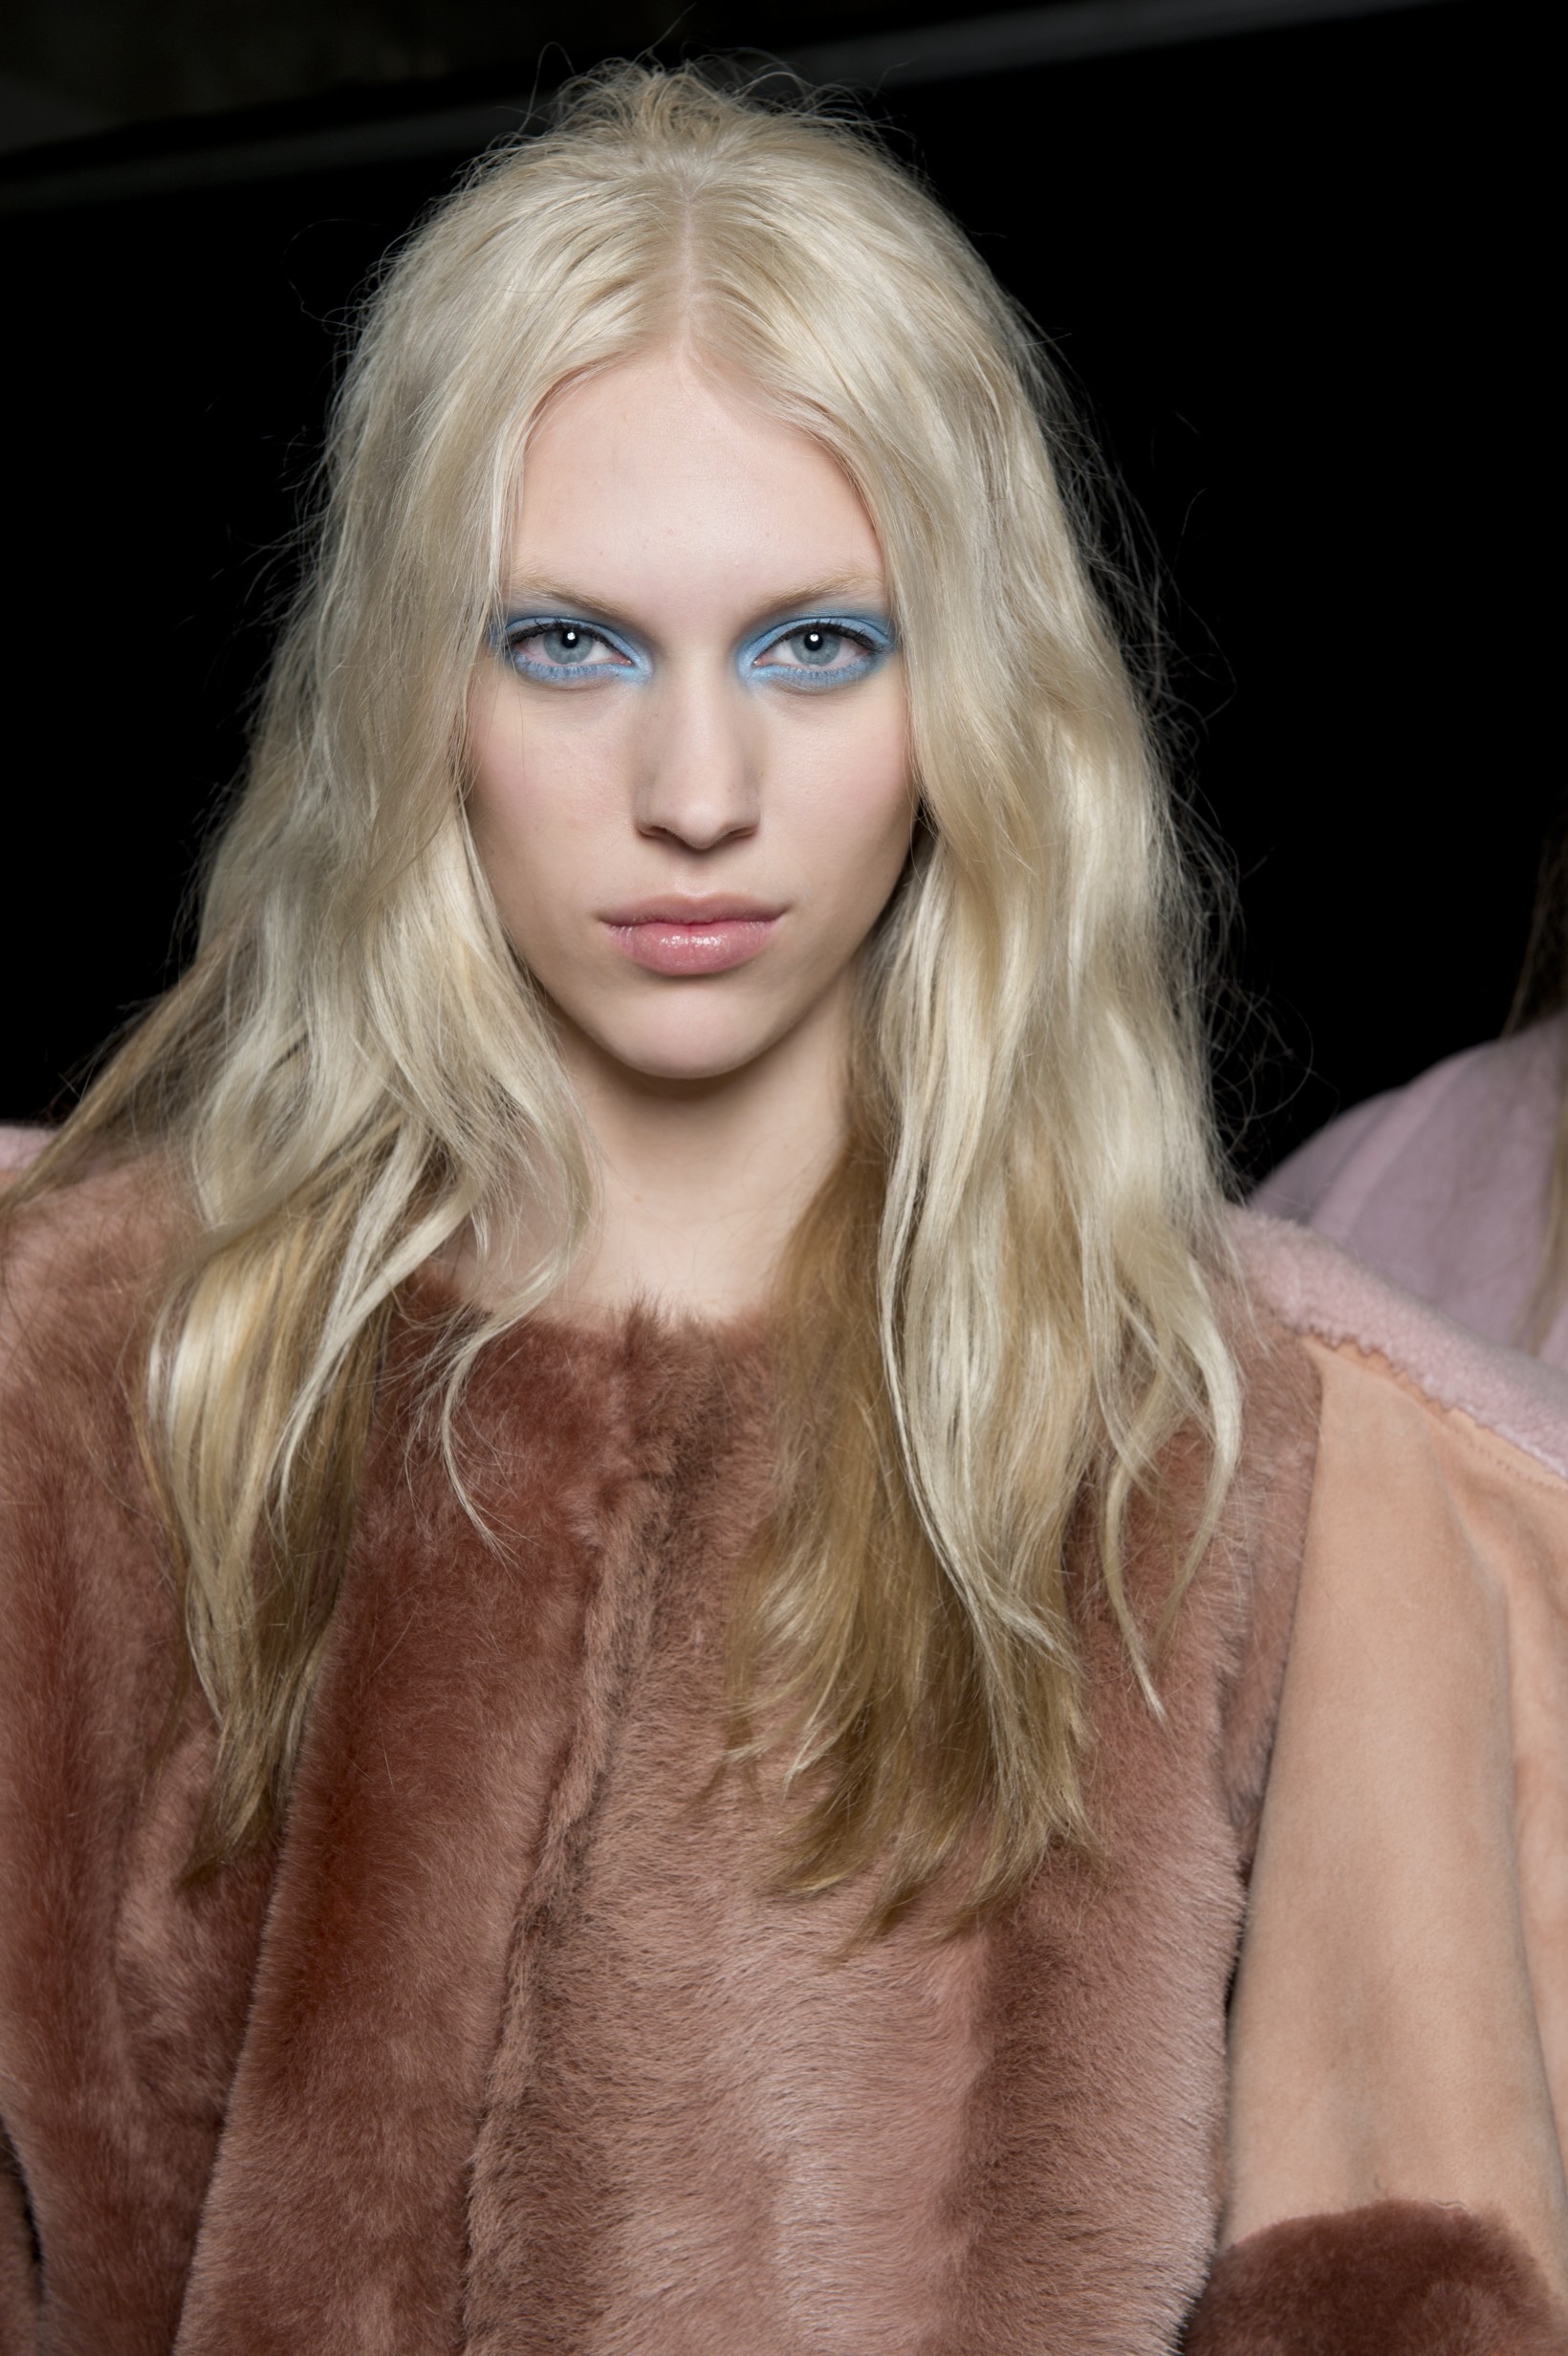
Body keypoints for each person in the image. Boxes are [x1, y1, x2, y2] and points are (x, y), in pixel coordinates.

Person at [1, 66, 1563, 2355]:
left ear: (973, 694)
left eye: (816, 643)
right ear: (414, 684)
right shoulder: (87, 1387)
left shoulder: (1253, 1463)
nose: (697, 790)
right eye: (568, 641)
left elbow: (1400, 2292)